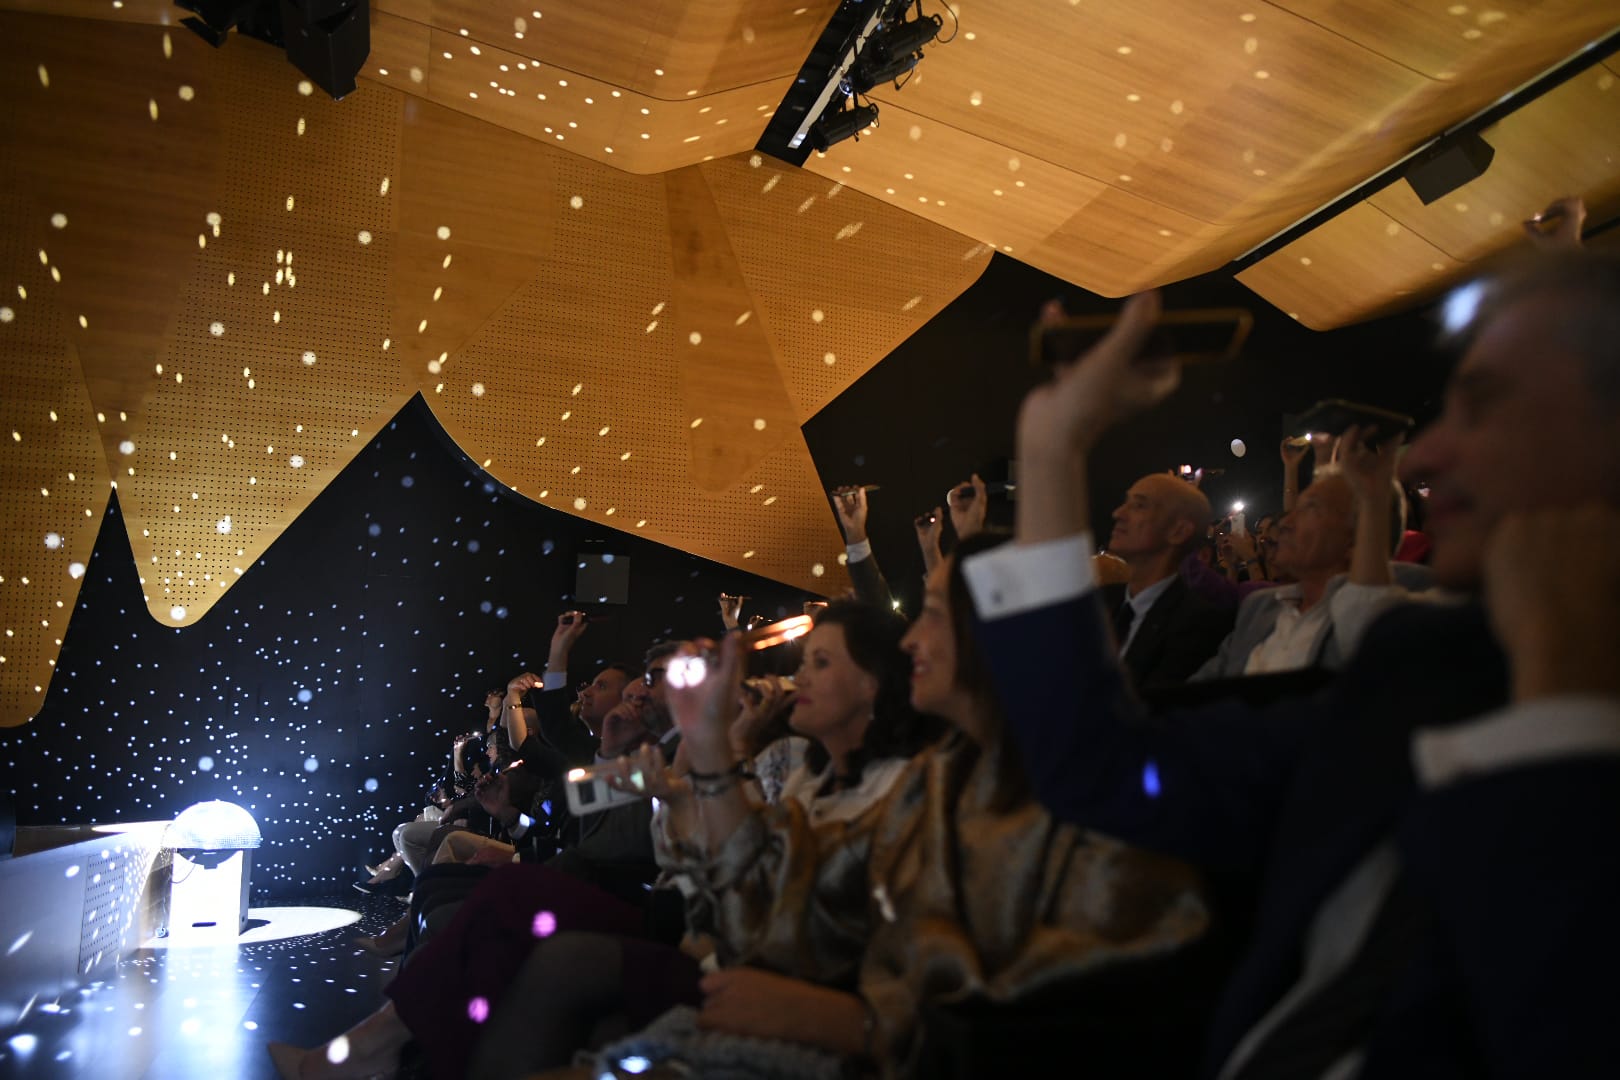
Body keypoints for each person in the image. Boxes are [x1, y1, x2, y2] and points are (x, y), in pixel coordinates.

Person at [966, 249, 1620, 1077]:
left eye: (1485, 407)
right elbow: (1104, 768)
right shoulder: (1421, 669)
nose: (1420, 461)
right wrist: (1055, 445)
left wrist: (1563, 720)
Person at [1191, 445, 1406, 680]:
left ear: (1357, 540)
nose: (1284, 524)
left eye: (1310, 509)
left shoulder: (1377, 621)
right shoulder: (1261, 606)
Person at [1099, 472, 1234, 687]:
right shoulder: (1102, 602)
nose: (1118, 513)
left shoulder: (1198, 625)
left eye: (1139, 506)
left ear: (1178, 531)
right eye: (1125, 503)